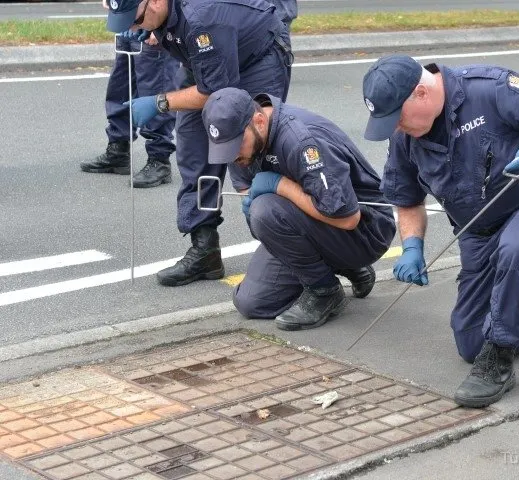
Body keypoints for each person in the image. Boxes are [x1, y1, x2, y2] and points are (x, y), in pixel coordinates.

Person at [362, 54, 519, 408]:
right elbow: (407, 199)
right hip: (480, 232)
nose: (395, 128)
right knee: (472, 342)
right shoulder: (406, 136)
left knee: (518, 247)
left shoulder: (492, 90)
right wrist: (412, 246)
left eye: (397, 117)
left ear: (421, 94)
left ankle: (498, 363)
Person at [104, 0, 293, 286]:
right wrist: (155, 30)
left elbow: (218, 90)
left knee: (249, 153)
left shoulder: (201, 20)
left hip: (257, 59)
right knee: (194, 148)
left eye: (137, 19)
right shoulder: (164, 13)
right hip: (207, 60)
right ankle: (205, 250)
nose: (134, 26)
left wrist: (160, 102)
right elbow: (201, 63)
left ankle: (288, 255)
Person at [201, 87, 396, 330]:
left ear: (259, 121)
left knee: (265, 211)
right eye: (225, 148)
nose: (232, 156)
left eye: (235, 146)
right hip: (305, 224)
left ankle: (325, 291)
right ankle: (338, 265)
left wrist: (278, 185)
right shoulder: (239, 142)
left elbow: (347, 218)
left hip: (364, 231)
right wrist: (253, 212)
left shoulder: (301, 141)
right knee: (251, 303)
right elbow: (249, 194)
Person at [81, 0, 179, 188]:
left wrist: (159, 24)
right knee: (120, 87)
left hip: (152, 17)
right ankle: (118, 148)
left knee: (155, 89)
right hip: (131, 14)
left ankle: (159, 159)